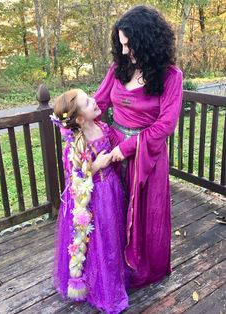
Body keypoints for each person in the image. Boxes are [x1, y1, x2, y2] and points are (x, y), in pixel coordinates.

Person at [94, 5, 183, 288]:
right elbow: (99, 104)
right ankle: (114, 264)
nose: (123, 52)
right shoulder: (119, 69)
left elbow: (165, 125)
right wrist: (72, 121)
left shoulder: (171, 77)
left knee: (146, 215)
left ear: (147, 42)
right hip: (113, 150)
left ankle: (143, 270)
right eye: (120, 45)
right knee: (114, 209)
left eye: (128, 45)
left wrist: (127, 148)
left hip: (146, 155)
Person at [52, 89, 129, 313]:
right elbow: (76, 177)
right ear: (79, 119)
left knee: (112, 236)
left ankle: (114, 278)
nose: (95, 101)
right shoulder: (75, 144)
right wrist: (99, 164)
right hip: (93, 197)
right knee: (97, 241)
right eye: (88, 102)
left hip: (111, 191)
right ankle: (100, 286)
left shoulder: (102, 127)